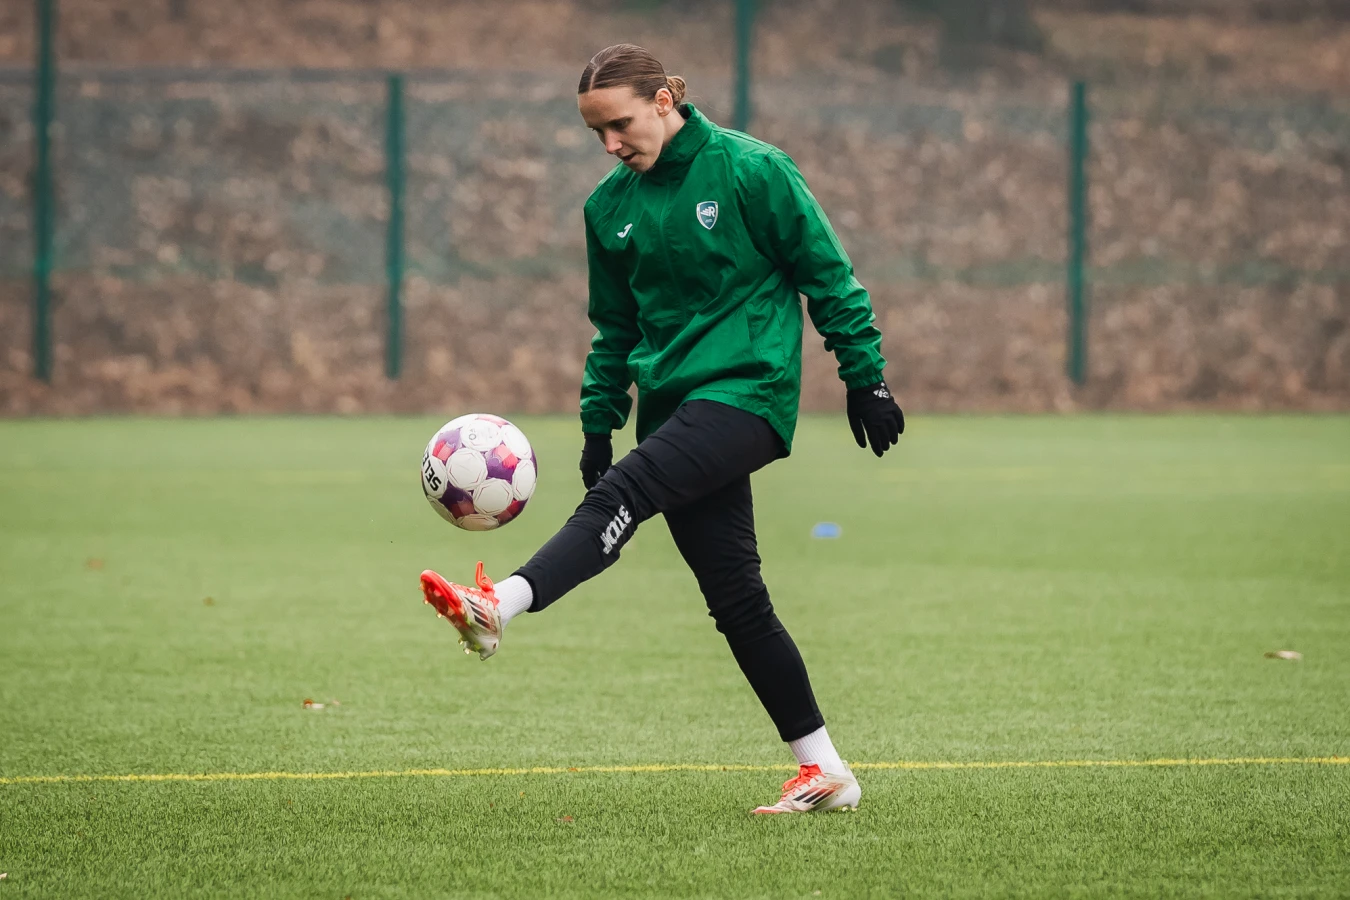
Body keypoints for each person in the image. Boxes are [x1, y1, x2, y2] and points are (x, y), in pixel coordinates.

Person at [419, 44, 904, 815]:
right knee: (736, 599)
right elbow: (614, 330)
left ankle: (498, 605)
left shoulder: (753, 171)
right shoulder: (607, 209)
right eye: (596, 133)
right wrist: (597, 425)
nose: (610, 144)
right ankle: (827, 771)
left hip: (749, 392)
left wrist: (864, 376)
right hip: (672, 408)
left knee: (630, 491)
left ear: (663, 101)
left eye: (619, 125)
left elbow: (829, 277)